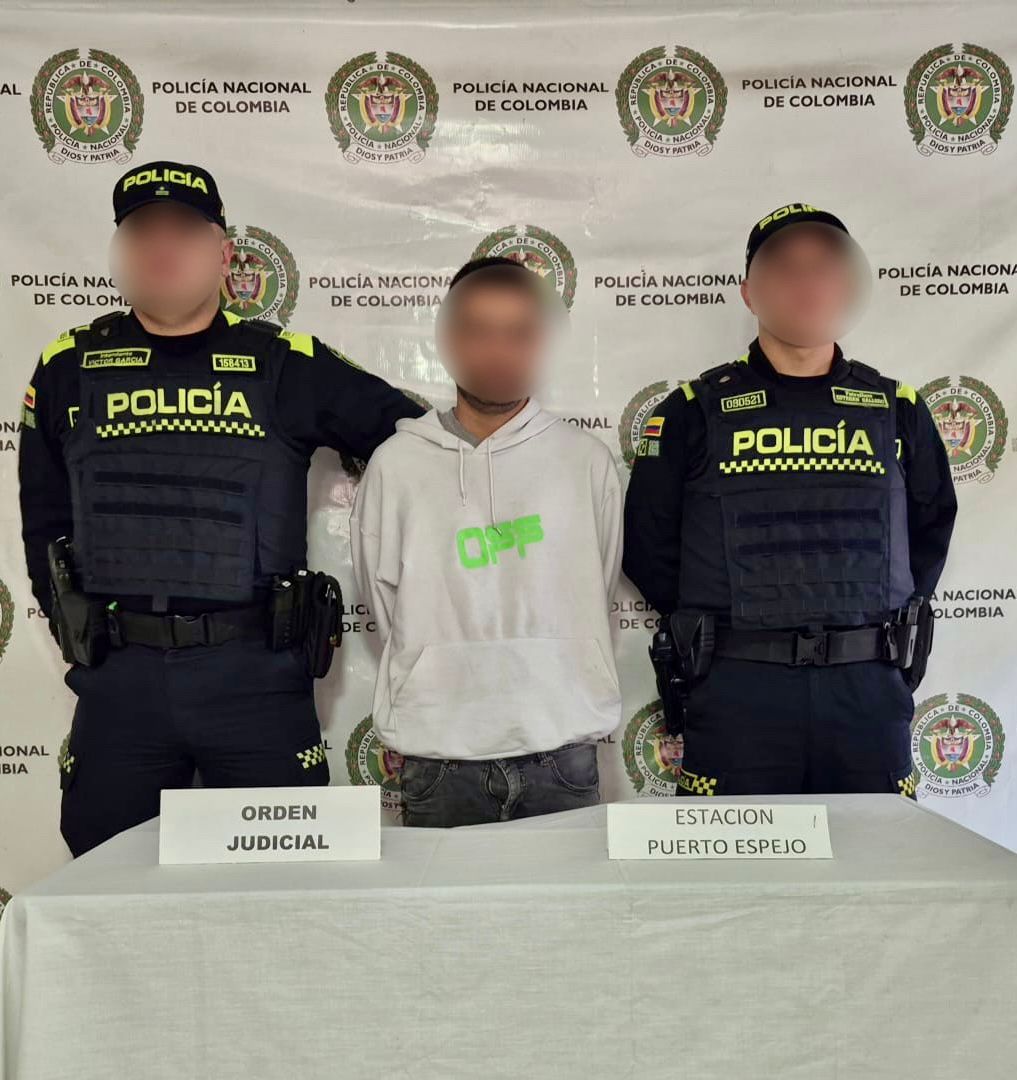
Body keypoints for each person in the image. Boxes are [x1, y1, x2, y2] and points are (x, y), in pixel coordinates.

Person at [18, 160, 423, 856]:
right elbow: (43, 522)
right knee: (104, 883)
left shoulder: (285, 363)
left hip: (255, 679)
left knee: (283, 886)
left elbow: (414, 445)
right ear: (119, 250)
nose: (162, 248)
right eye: (142, 232)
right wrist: (78, 635)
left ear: (224, 253)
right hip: (121, 683)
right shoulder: (69, 366)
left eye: (183, 232)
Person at [623, 203, 957, 798]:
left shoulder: (897, 408)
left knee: (876, 855)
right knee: (733, 862)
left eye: (824, 267)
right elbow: (649, 548)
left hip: (867, 690)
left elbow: (930, 532)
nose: (806, 283)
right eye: (785, 268)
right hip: (737, 690)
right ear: (749, 293)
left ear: (848, 287)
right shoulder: (691, 411)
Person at [351, 257, 623, 826]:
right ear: (448, 340)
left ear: (541, 342)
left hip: (561, 749)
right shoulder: (396, 465)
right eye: (479, 331)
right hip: (438, 754)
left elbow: (598, 583)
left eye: (518, 332)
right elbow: (383, 599)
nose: (499, 350)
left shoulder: (584, 461)